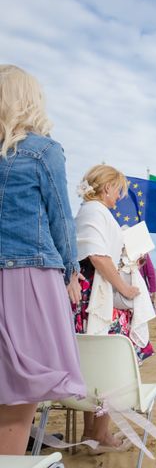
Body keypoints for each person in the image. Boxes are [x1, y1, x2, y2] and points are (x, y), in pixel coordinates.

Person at [0, 64, 85, 455]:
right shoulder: (42, 150)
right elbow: (60, 219)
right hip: (28, 276)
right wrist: (70, 272)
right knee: (21, 392)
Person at [72, 164, 156, 453]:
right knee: (105, 365)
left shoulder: (95, 211)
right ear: (107, 186)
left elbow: (108, 253)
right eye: (119, 189)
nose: (120, 196)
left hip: (94, 294)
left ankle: (92, 433)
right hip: (99, 297)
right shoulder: (94, 211)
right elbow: (97, 257)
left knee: (92, 364)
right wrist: (125, 287)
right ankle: (101, 435)